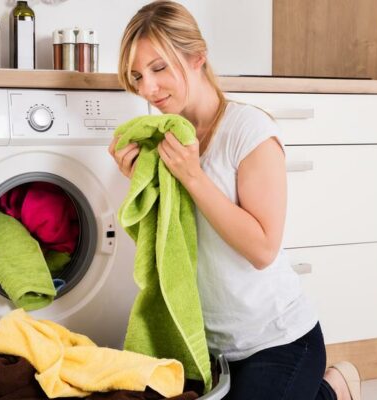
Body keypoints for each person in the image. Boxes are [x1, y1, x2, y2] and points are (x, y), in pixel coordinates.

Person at [108, 1, 362, 399]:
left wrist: (194, 177)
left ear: (198, 58)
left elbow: (262, 249)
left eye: (159, 68)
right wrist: (143, 188)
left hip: (277, 341)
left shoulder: (248, 131)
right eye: (137, 76)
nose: (147, 89)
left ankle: (333, 389)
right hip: (205, 344)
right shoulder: (165, 143)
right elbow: (167, 251)